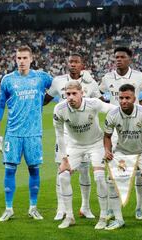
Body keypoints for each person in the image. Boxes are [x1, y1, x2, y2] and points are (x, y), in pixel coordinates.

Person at [0, 45, 53, 222]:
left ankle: (33, 208)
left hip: (34, 134)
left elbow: (58, 87)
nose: (22, 61)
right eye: (19, 58)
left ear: (31, 59)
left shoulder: (41, 77)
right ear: (15, 59)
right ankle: (8, 208)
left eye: (25, 58)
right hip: (13, 133)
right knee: (9, 170)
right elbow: (0, 105)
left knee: (34, 170)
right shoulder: (8, 80)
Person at [44, 53, 102, 221]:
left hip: (86, 136)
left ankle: (85, 207)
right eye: (70, 61)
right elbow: (45, 100)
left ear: (82, 64)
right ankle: (61, 208)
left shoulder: (90, 83)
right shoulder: (58, 81)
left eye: (76, 62)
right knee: (61, 170)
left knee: (85, 171)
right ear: (67, 63)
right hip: (66, 135)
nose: (73, 64)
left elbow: (102, 101)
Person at [53, 81, 115, 229]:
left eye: (74, 93)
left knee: (99, 177)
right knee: (63, 176)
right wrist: (64, 159)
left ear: (82, 93)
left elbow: (113, 109)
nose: (71, 97)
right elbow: (60, 135)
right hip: (74, 146)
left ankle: (103, 216)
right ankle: (69, 216)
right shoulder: (59, 109)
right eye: (68, 94)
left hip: (96, 144)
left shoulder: (93, 103)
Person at [99, 47, 142, 220]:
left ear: (130, 59)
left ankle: (140, 207)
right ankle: (113, 208)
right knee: (112, 173)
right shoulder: (107, 78)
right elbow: (99, 95)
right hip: (115, 127)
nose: (118, 60)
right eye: (116, 57)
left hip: (135, 125)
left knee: (141, 173)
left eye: (122, 57)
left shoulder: (140, 77)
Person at [103, 84, 142, 231]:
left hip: (141, 151)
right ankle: (118, 219)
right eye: (121, 98)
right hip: (122, 152)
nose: (124, 101)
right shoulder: (112, 114)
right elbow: (107, 136)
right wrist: (107, 150)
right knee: (112, 181)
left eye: (127, 98)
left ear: (134, 98)